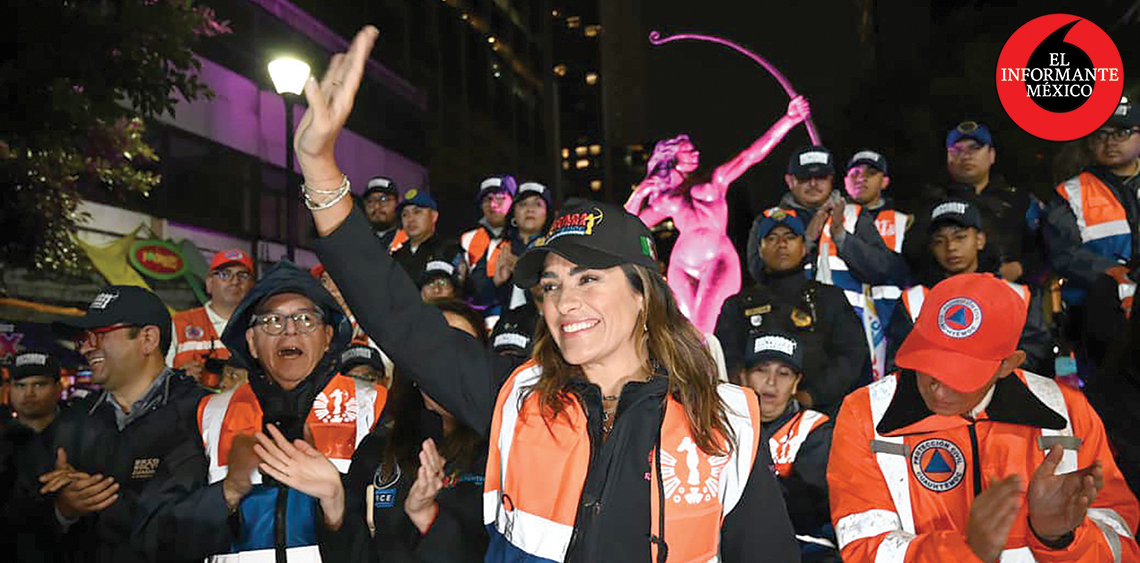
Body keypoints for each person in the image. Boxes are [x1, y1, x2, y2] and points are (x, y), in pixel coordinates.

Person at [290, 25, 799, 562]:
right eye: (551, 284)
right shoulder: (515, 398)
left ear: (643, 295)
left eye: (588, 279)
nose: (563, 301)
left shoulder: (725, 419)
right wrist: (320, 167)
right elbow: (398, 318)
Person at [828, 273, 1139, 563]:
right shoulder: (866, 413)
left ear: (1007, 365)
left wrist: (1059, 538)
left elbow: (1121, 545)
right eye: (928, 362)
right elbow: (864, 549)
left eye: (959, 375)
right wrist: (965, 550)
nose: (937, 387)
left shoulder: (1067, 410)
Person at [132, 262, 388, 562]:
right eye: (272, 321)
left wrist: (336, 504)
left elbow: (399, 540)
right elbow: (154, 539)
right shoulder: (208, 415)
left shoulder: (373, 407)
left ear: (328, 336)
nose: (290, 330)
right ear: (252, 342)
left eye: (306, 319)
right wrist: (227, 493)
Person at [39, 286, 205, 563]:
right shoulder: (71, 422)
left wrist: (112, 504)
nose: (86, 348)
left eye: (98, 335)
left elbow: (209, 519)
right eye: (83, 339)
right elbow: (22, 520)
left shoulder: (203, 414)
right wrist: (63, 510)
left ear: (148, 339)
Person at [626, 97, 810, 334]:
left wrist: (789, 120)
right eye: (688, 151)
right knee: (686, 331)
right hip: (682, 266)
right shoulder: (668, 199)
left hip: (718, 259)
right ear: (673, 156)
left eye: (694, 149)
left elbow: (750, 156)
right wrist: (640, 192)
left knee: (705, 328)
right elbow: (630, 224)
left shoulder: (715, 180)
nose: (695, 153)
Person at [747, 146, 910, 379]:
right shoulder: (768, 219)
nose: (813, 184)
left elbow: (882, 269)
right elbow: (758, 272)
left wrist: (842, 237)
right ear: (790, 181)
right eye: (805, 178)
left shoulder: (853, 214)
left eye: (821, 177)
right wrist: (804, 244)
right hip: (787, 329)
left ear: (832, 179)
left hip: (851, 334)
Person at [717, 208, 870, 414]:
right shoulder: (738, 305)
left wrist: (811, 396)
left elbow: (852, 355)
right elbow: (726, 357)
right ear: (760, 249)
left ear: (804, 247)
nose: (781, 244)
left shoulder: (829, 298)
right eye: (771, 238)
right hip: (753, 413)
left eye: (790, 237)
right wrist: (745, 391)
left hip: (820, 414)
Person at [889, 200, 1052, 374]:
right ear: (931, 248)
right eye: (939, 241)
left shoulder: (1016, 295)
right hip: (936, 388)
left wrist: (990, 376)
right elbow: (902, 359)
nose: (951, 247)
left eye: (960, 237)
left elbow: (1036, 351)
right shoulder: (915, 300)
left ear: (980, 240)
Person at [1044, 96, 1140, 375]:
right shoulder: (1070, 193)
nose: (1110, 142)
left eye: (1122, 132)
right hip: (1097, 318)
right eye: (1101, 134)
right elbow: (1063, 254)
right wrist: (1113, 272)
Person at [738, 332, 837, 562]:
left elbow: (810, 506)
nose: (771, 382)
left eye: (783, 373)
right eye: (761, 370)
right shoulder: (723, 427)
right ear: (744, 377)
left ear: (796, 384)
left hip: (804, 545)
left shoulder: (813, 428)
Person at [909, 121, 1044, 284]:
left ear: (991, 155)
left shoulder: (1020, 200)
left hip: (1013, 290)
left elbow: (1046, 250)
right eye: (957, 150)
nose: (966, 156)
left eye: (974, 148)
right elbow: (914, 256)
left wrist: (1020, 268)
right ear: (948, 158)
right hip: (950, 292)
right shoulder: (931, 204)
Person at [1, 352, 64, 563]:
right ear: (9, 389)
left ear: (58, 388)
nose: (28, 393)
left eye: (39, 384)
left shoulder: (81, 434)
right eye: (20, 385)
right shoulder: (4, 439)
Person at [169, 249, 256, 384]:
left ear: (253, 285)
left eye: (243, 275)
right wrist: (179, 377)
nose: (234, 281)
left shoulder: (262, 327)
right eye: (225, 274)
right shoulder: (179, 323)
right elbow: (158, 379)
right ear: (209, 283)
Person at [459, 175, 517, 322]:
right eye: (487, 199)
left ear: (514, 201)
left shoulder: (522, 238)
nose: (492, 204)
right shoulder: (468, 239)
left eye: (500, 198)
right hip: (476, 317)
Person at [497, 181, 553, 313]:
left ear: (547, 213)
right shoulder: (498, 246)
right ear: (513, 213)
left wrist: (522, 271)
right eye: (523, 204)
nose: (530, 210)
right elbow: (477, 296)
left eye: (537, 204)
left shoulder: (555, 249)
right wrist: (497, 284)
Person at [392, 188, 460, 281]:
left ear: (433, 216)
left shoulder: (449, 251)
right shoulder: (396, 257)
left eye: (417, 212)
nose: (410, 219)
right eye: (405, 214)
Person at [362, 176, 403, 250]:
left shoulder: (409, 237)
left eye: (384, 200)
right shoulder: (358, 238)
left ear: (397, 202)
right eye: (370, 200)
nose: (376, 206)